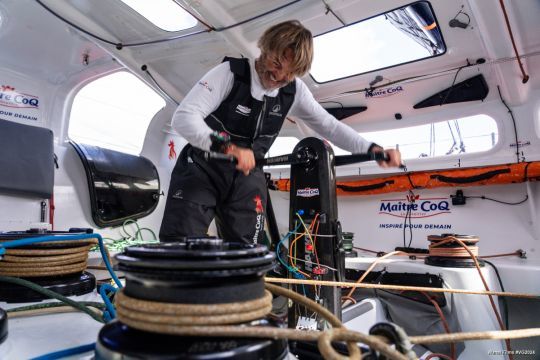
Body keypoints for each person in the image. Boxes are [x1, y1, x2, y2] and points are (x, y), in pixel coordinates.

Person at [159, 20, 401, 243]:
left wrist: (372, 150)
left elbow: (330, 126)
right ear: (265, 48)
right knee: (180, 246)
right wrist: (228, 148)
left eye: (291, 72)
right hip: (202, 168)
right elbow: (184, 117)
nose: (280, 77)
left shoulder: (295, 91)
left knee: (248, 255)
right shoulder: (229, 74)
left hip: (247, 176)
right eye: (277, 64)